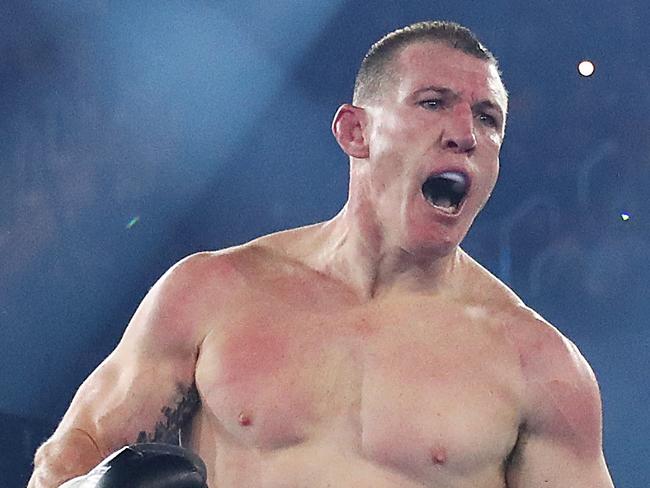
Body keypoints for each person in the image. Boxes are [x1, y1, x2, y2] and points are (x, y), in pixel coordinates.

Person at [28, 20, 614, 488]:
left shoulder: (538, 364)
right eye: (434, 102)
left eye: (488, 119)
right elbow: (69, 457)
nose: (465, 133)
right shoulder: (211, 293)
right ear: (355, 132)